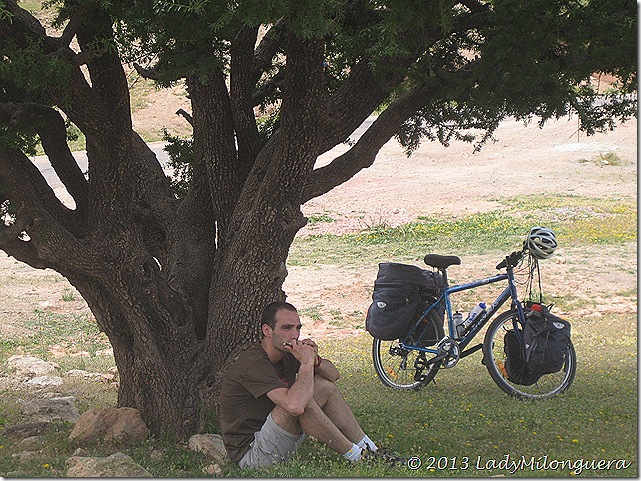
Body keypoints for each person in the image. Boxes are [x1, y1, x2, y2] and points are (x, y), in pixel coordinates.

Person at [219, 301, 379, 468]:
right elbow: (294, 406)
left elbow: (333, 375)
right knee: (301, 401)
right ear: (267, 330)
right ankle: (358, 457)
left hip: (275, 433)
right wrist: (306, 364)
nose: (294, 335)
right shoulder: (254, 363)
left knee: (323, 386)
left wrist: (315, 360)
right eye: (287, 328)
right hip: (253, 454)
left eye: (298, 328)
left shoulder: (286, 353)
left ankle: (370, 448)